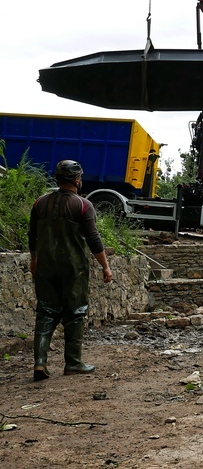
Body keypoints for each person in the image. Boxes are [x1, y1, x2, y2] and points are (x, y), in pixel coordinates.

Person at [29, 160, 113, 380]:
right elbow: (93, 239)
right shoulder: (83, 205)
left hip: (46, 265)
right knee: (75, 313)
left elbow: (32, 235)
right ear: (77, 180)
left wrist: (34, 259)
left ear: (57, 179)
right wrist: (105, 266)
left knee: (45, 312)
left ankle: (40, 363)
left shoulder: (40, 203)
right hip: (73, 268)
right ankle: (73, 363)